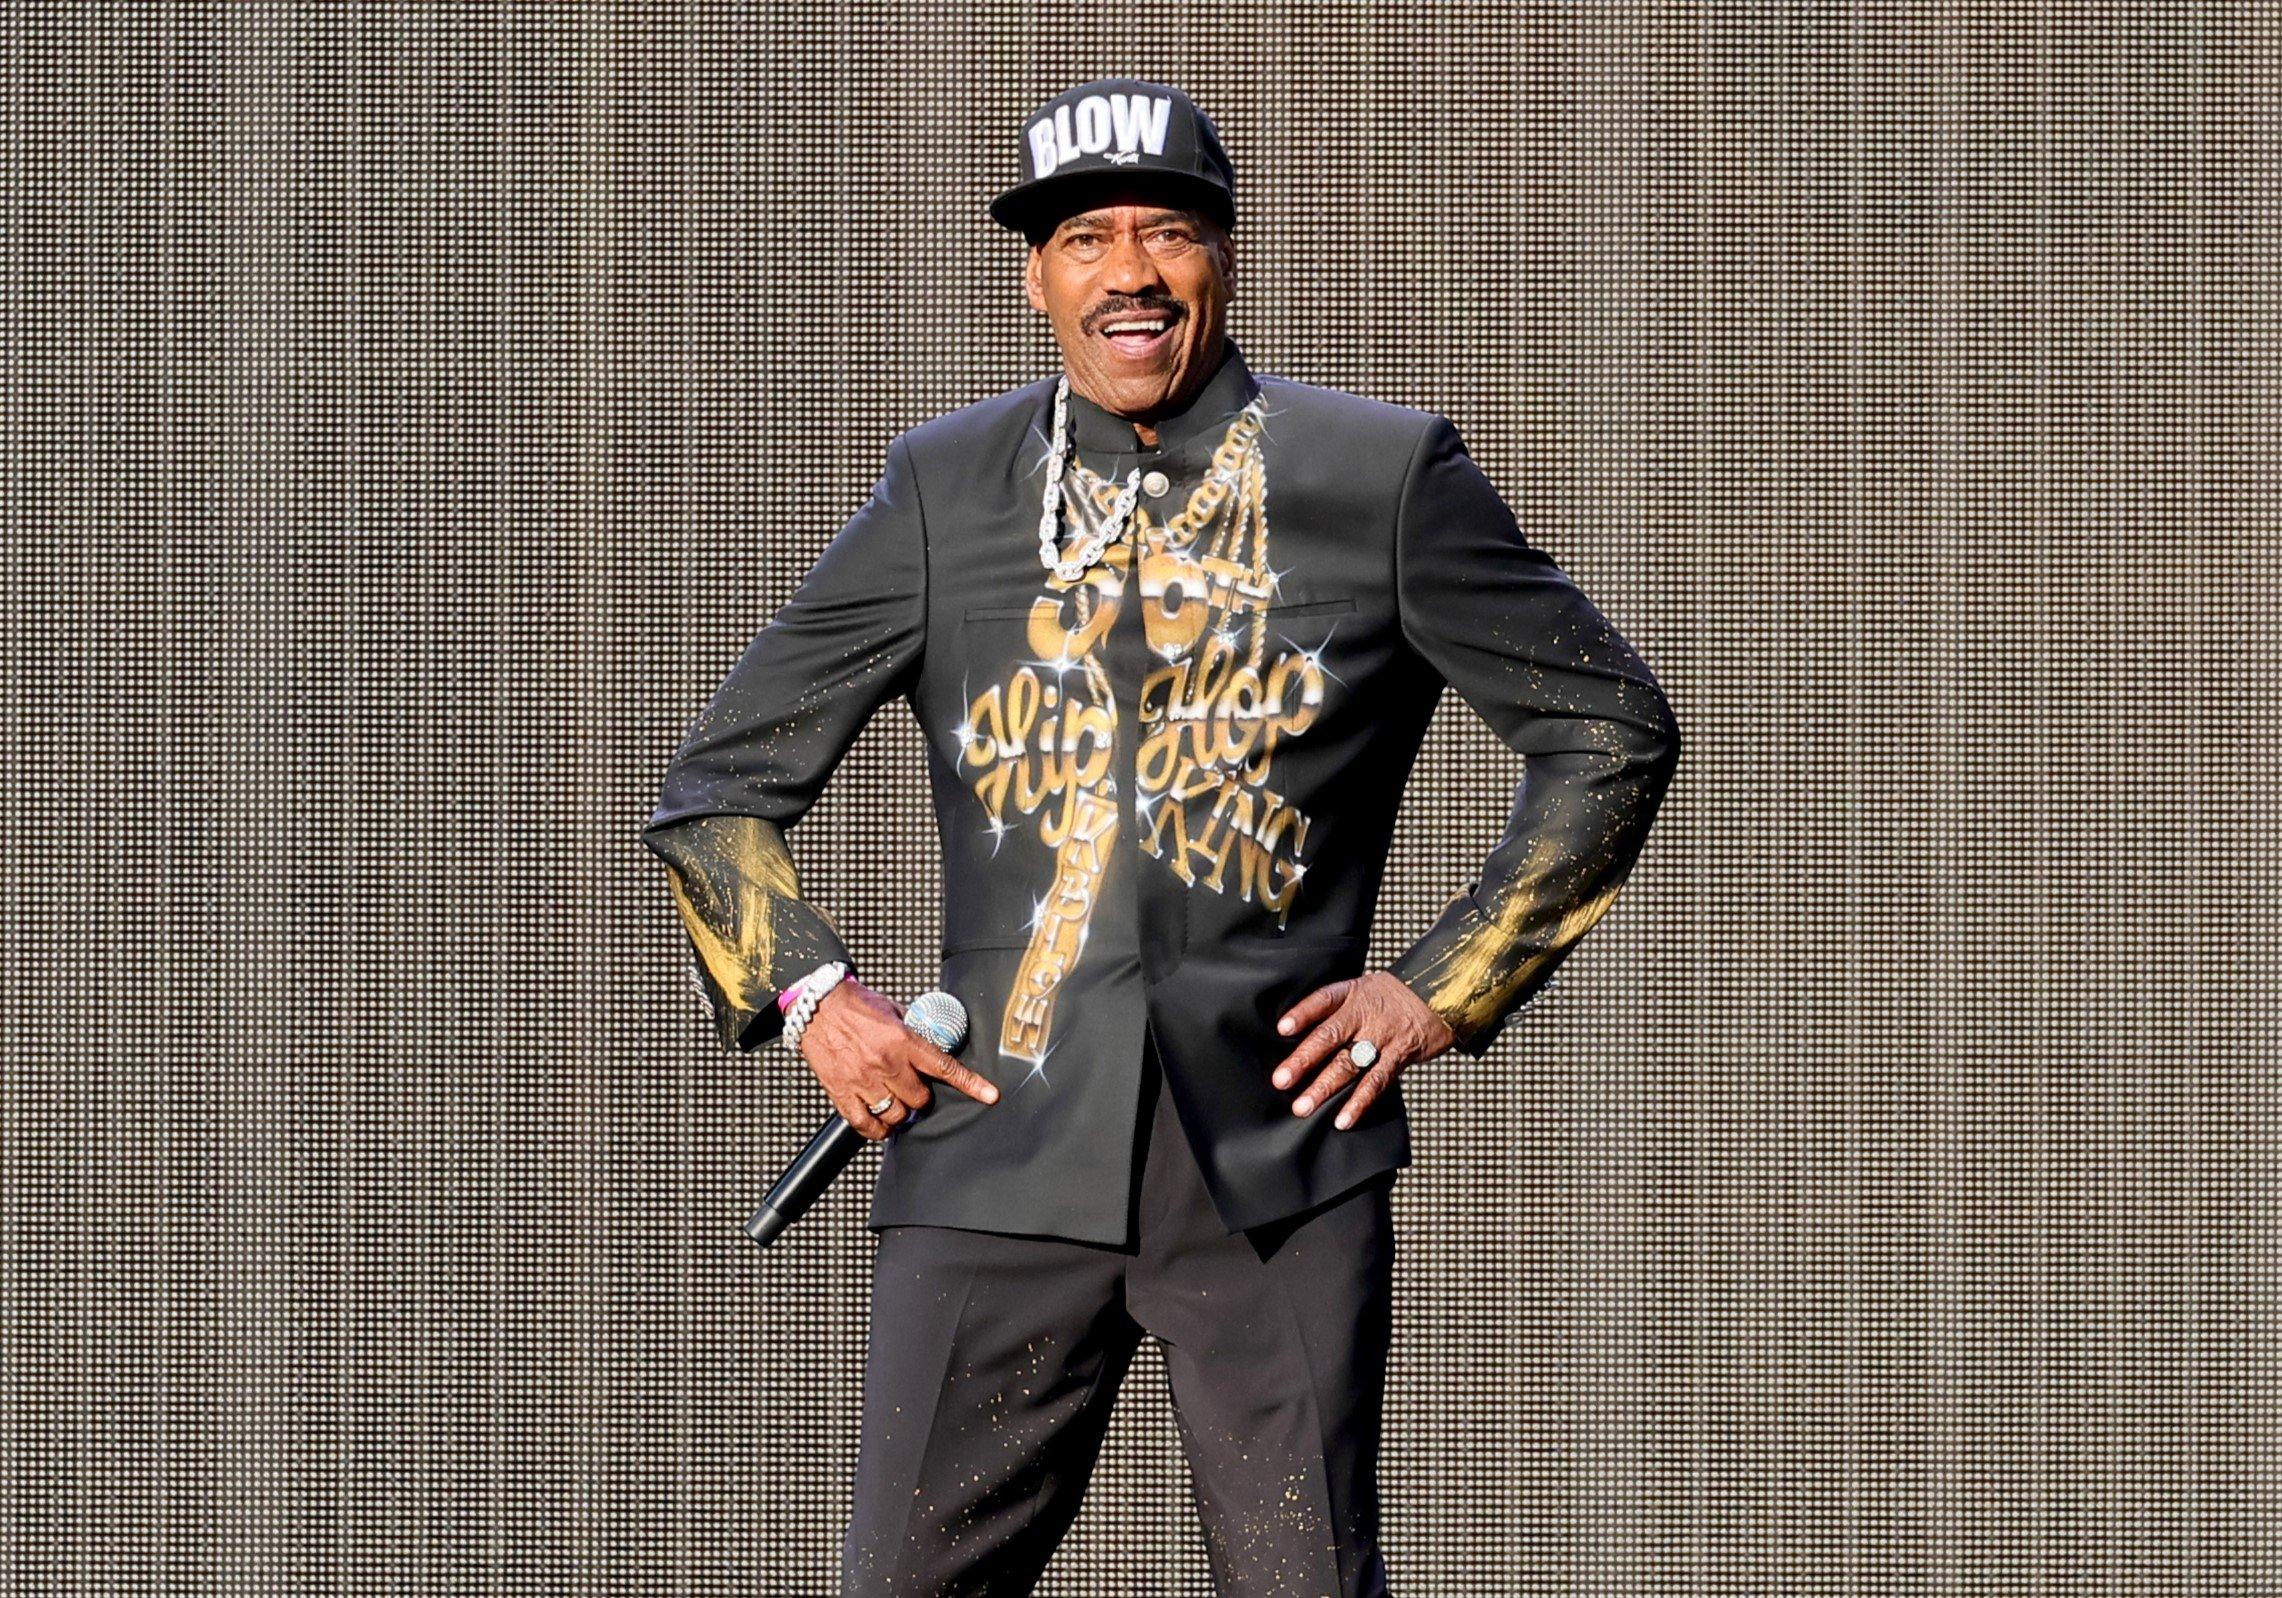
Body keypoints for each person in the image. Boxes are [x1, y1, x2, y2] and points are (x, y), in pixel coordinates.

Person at [641, 77, 1680, 1598]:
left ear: (1224, 258)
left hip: (1274, 1163)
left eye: (1165, 231)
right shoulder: (944, 487)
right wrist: (813, 996)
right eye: (1083, 236)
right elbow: (714, 784)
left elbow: (1609, 726)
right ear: (1034, 274)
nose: (1126, 268)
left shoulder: (1376, 476)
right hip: (994, 1150)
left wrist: (1444, 984)